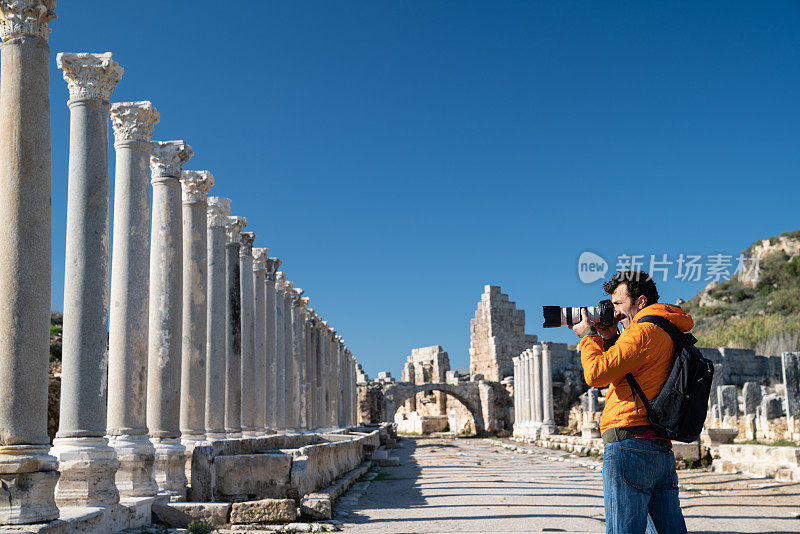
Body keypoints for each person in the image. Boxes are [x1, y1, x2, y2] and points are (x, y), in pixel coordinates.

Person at [570, 270, 690, 534]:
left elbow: (597, 374)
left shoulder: (642, 332)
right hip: (658, 448)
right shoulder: (665, 329)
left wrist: (589, 336)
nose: (613, 311)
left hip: (630, 447)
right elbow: (634, 373)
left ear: (641, 302)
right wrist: (612, 339)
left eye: (618, 304)